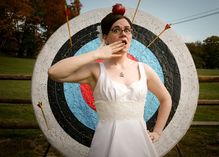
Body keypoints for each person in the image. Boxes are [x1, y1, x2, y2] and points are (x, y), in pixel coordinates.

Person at [48, 4, 172, 157]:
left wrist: (157, 132)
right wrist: (96, 54)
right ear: (105, 37)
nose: (123, 34)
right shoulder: (95, 70)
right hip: (107, 144)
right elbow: (54, 72)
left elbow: (166, 98)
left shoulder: (144, 69)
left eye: (127, 30)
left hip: (139, 143)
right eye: (116, 30)